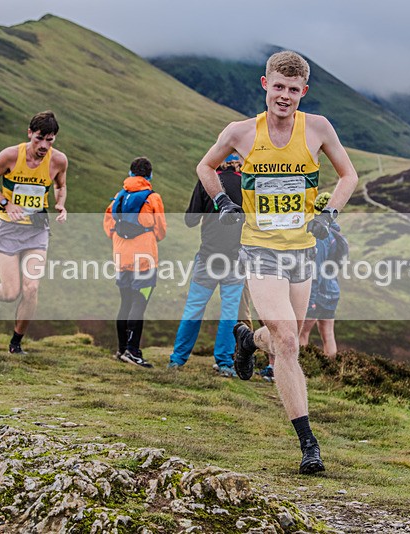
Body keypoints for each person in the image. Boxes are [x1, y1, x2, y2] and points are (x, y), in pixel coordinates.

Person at [196, 50, 358, 474]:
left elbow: (349, 176)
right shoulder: (241, 132)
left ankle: (248, 341)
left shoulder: (318, 129)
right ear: (265, 85)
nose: (284, 96)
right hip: (260, 249)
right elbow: (205, 166)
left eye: (293, 89)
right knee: (287, 342)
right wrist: (223, 203)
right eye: (278, 87)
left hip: (302, 251)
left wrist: (329, 215)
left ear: (303, 92)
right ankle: (308, 444)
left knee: (286, 342)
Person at [0, 111, 68, 354]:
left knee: (31, 288)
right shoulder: (10, 155)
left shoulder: (58, 161)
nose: (43, 145)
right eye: (39, 138)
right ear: (30, 133)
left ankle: (16, 343)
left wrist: (60, 204)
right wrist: (6, 203)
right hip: (8, 228)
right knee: (11, 292)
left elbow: (61, 186)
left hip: (37, 231)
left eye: (50, 140)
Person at [168, 154, 245, 377]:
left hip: (208, 256)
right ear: (239, 161)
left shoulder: (207, 181)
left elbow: (190, 220)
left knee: (194, 308)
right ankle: (224, 363)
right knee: (229, 312)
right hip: (236, 257)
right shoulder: (247, 183)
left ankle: (177, 360)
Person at [103, 157, 166, 368]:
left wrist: (118, 239)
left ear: (130, 173)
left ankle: (121, 349)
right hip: (144, 260)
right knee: (140, 302)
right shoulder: (152, 198)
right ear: (149, 175)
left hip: (121, 257)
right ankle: (132, 351)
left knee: (125, 303)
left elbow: (109, 224)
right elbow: (161, 230)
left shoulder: (118, 197)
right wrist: (148, 237)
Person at [299, 192, 344, 358]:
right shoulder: (336, 233)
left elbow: (315, 272)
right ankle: (330, 373)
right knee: (328, 334)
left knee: (302, 334)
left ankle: (304, 369)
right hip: (332, 290)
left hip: (318, 293)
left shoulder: (320, 236)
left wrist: (310, 301)